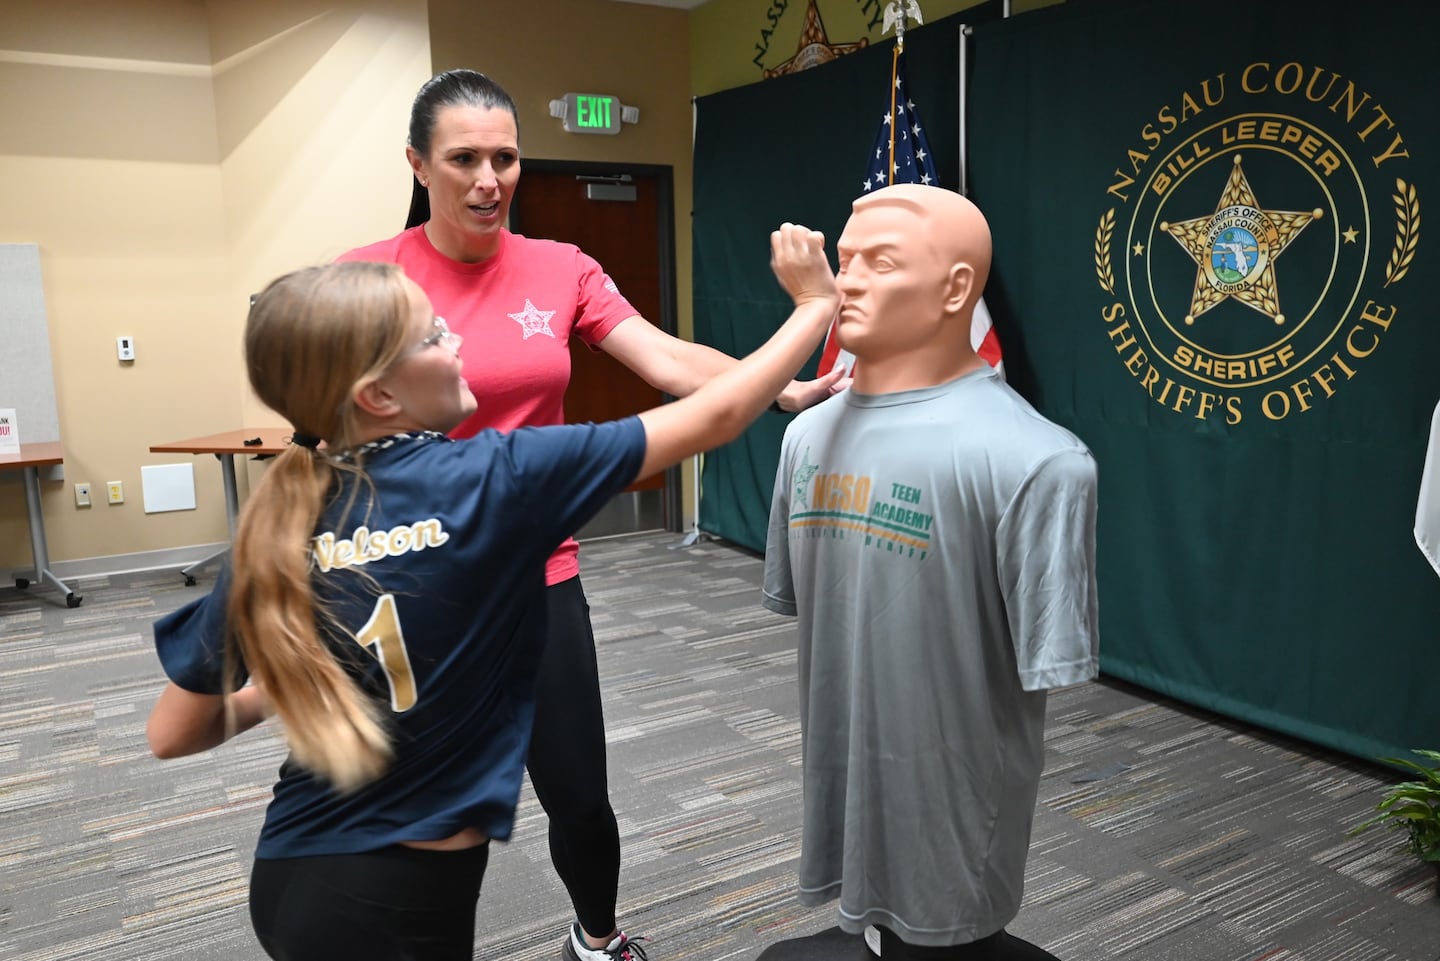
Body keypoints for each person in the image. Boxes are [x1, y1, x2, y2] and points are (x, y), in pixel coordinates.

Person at [144, 235, 839, 961]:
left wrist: (296, 687)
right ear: (379, 395)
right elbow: (715, 417)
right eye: (436, 335)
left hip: (293, 872)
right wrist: (815, 304)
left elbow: (173, 732)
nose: (460, 345)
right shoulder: (491, 478)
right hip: (392, 907)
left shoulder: (274, 522)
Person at [336, 69, 845, 961]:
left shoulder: (559, 266)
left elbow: (668, 359)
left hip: (538, 575)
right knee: (417, 806)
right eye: (464, 159)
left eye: (505, 157)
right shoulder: (365, 278)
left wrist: (788, 390)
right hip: (410, 584)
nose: (489, 179)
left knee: (578, 793)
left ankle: (596, 938)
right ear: (419, 165)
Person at [761, 184, 1099, 961]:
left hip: (956, 812)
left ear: (956, 289)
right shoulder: (803, 439)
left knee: (946, 939)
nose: (845, 282)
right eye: (844, 262)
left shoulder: (1037, 459)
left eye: (879, 262)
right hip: (843, 776)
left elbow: (1044, 661)